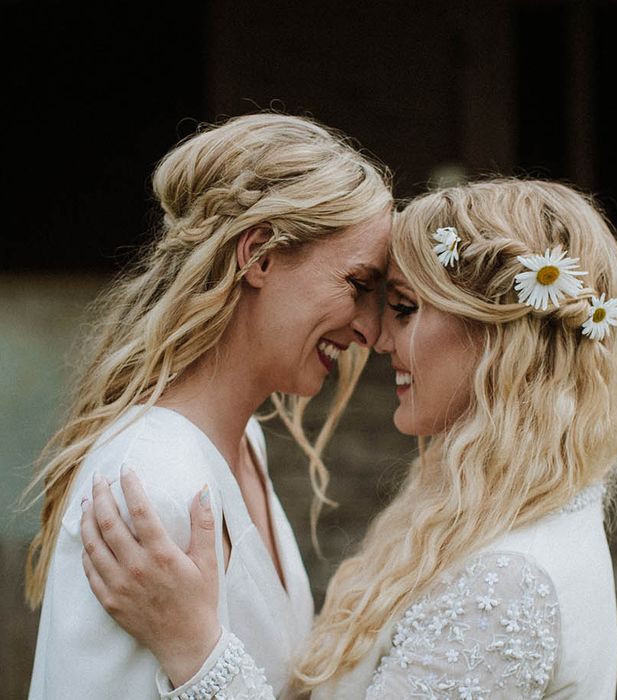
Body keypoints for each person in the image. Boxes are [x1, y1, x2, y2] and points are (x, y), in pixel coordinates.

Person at [79, 178, 617, 698]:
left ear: (500, 337)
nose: (378, 340)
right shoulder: (519, 512)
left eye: (404, 308)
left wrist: (196, 649)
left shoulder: (504, 585)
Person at [25, 112, 392, 699]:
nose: (371, 332)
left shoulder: (245, 444)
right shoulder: (149, 483)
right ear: (260, 255)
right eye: (357, 284)